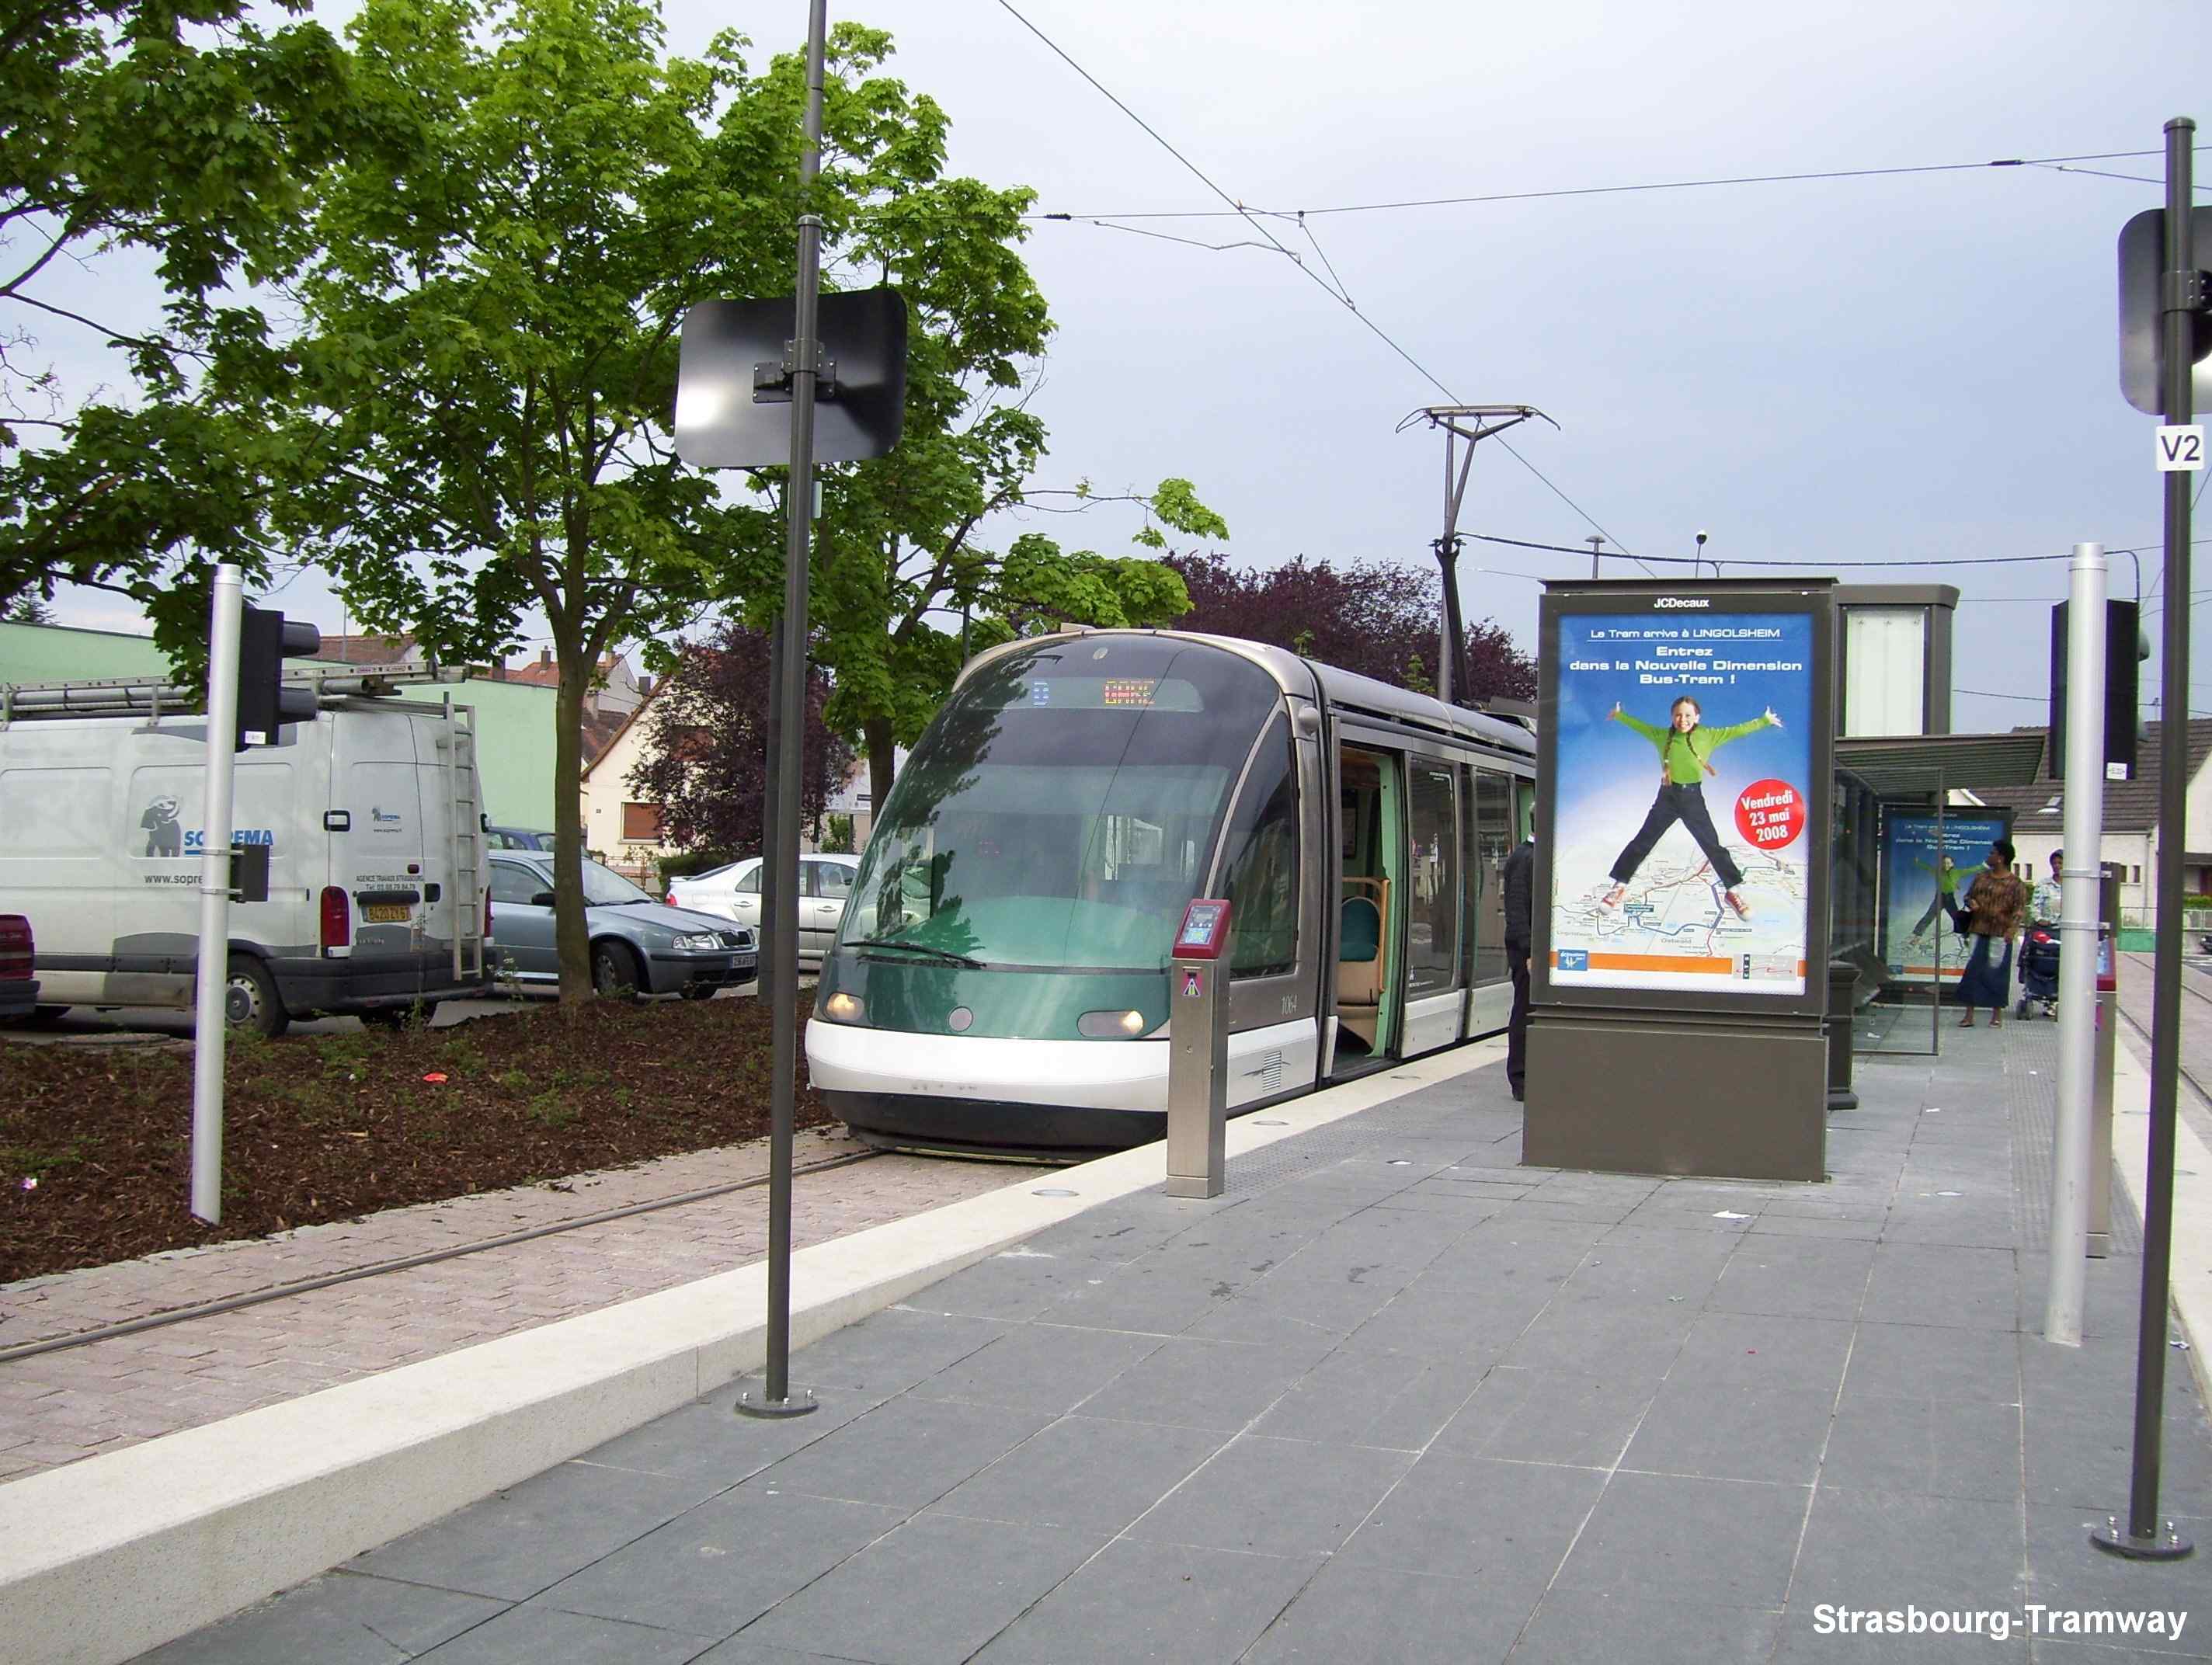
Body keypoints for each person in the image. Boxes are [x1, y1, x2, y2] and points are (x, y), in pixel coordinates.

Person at [1600, 696, 1782, 921]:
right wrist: (1619, 715)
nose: (1682, 719)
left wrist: (1764, 721)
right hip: (1667, 796)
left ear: (1697, 717)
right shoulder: (1663, 736)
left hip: (1692, 798)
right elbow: (1641, 727)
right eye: (1678, 715)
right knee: (1643, 841)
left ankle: (1733, 892)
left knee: (1712, 845)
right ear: (1671, 717)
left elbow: (1738, 730)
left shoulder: (1708, 736)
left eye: (1687, 715)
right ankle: (1619, 886)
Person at [1955, 838, 2027, 1027]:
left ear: (2001, 858)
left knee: (1997, 973)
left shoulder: (2015, 883)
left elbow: (2019, 909)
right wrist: (1972, 903)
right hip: (1978, 929)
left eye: (1992, 853)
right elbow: (1968, 895)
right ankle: (1969, 1014)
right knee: (1973, 971)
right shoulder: (1982, 877)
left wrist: (2012, 930)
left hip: (2000, 933)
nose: (1989, 856)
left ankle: (1996, 1015)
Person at [1501, 830, 1535, 1103]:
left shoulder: (1529, 855)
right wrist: (1528, 950)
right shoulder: (1525, 858)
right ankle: (1520, 1078)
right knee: (1524, 1010)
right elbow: (1517, 910)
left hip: (1529, 950)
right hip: (1526, 953)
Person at [1908, 853, 1966, 938]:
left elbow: (1971, 870)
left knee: (1956, 916)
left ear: (1952, 864)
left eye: (1948, 863)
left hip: (1949, 898)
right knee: (1930, 915)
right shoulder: (1938, 872)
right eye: (1944, 863)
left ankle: (1965, 934)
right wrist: (1918, 862)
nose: (1946, 865)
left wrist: (1984, 866)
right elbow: (1927, 867)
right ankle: (1917, 934)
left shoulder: (1956, 873)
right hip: (1940, 897)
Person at [2030, 849, 2063, 925]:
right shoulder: (2043, 885)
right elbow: (2035, 907)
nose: (2057, 866)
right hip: (2048, 929)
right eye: (2054, 863)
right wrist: (2039, 920)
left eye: (2060, 863)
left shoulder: (2073, 887)